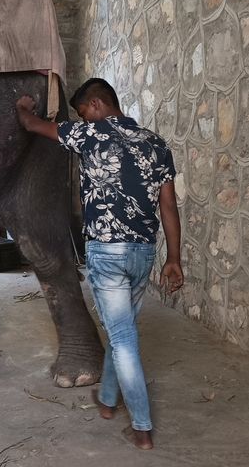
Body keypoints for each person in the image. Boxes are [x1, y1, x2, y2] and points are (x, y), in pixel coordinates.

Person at [15, 78, 184, 450]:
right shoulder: (156, 144)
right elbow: (168, 207)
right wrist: (173, 258)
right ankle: (107, 401)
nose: (83, 119)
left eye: (83, 112)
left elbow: (31, 126)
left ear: (96, 103)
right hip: (142, 253)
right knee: (120, 329)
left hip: (106, 253)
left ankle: (141, 427)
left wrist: (23, 108)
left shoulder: (88, 134)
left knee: (122, 337)